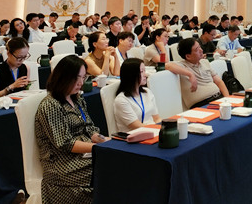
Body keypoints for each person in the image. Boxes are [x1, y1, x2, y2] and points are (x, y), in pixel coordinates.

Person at [35, 55, 108, 204]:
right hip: (61, 165)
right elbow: (65, 143)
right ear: (63, 78)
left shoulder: (77, 98)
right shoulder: (51, 105)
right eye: (77, 78)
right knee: (107, 169)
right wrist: (97, 148)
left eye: (84, 77)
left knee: (115, 161)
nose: (81, 83)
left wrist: (105, 140)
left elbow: (89, 128)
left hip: (83, 154)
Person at [167, 38, 230, 108]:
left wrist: (227, 99)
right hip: (202, 104)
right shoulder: (182, 66)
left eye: (200, 47)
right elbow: (167, 65)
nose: (201, 50)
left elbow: (219, 82)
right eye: (197, 49)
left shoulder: (205, 62)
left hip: (219, 98)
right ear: (188, 56)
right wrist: (190, 74)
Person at [114, 58, 161, 132]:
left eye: (144, 71)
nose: (145, 75)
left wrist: (162, 128)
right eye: (141, 71)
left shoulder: (147, 92)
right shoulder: (121, 100)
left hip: (152, 131)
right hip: (135, 135)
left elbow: (157, 118)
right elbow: (136, 126)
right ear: (131, 75)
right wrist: (157, 130)